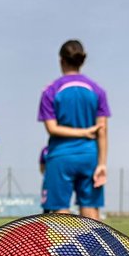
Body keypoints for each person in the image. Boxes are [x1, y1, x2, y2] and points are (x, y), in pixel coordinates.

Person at [38, 40, 108, 222]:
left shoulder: (51, 90)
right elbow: (102, 130)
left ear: (61, 60)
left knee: (61, 210)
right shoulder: (97, 90)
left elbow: (52, 128)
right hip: (89, 156)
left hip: (61, 156)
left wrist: (81, 132)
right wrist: (102, 163)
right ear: (81, 61)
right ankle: (95, 251)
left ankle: (66, 251)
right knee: (91, 209)